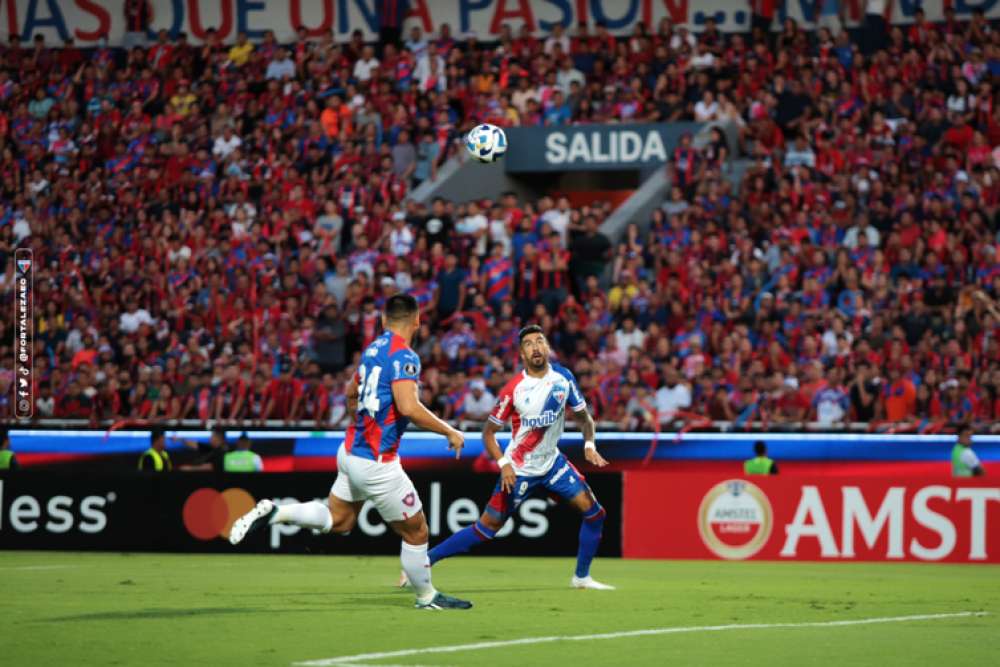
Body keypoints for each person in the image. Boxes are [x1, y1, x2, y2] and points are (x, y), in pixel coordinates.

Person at [229, 294, 471, 610]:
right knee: (417, 531)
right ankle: (426, 597)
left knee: (339, 520)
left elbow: (350, 391)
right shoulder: (405, 356)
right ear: (417, 320)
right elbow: (409, 407)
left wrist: (361, 420)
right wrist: (449, 430)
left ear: (384, 321)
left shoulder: (372, 350)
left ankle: (277, 512)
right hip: (377, 462)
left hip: (350, 452)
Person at [417, 324, 614, 590]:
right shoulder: (514, 390)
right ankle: (424, 562)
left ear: (547, 347)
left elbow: (584, 418)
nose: (535, 347)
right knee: (486, 528)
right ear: (522, 354)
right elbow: (488, 433)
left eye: (539, 341)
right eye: (529, 344)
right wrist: (504, 463)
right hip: (519, 469)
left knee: (595, 514)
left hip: (552, 464)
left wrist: (589, 444)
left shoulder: (563, 379)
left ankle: (581, 577)